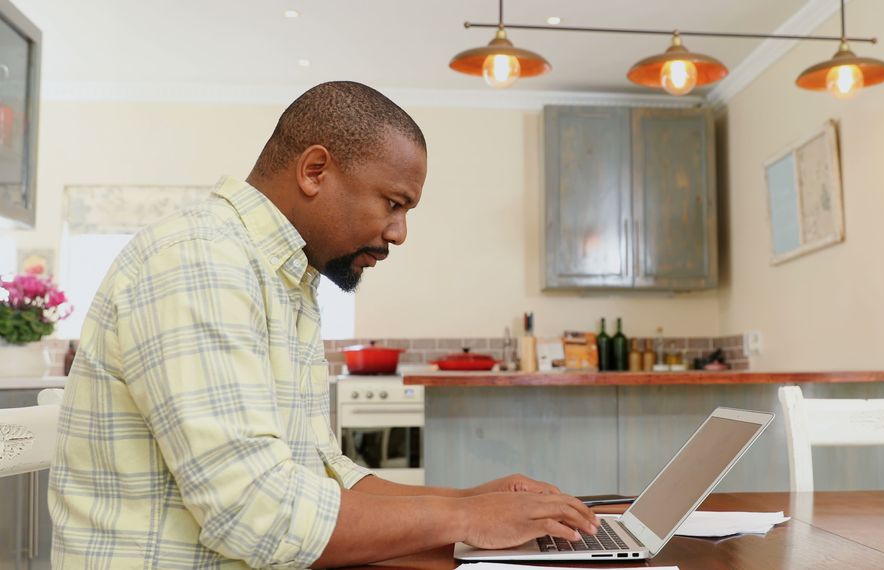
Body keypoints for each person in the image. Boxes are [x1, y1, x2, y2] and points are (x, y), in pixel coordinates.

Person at [48, 81, 598, 569]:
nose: (400, 232)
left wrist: (470, 502)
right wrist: (464, 522)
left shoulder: (288, 280)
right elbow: (258, 514)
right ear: (315, 170)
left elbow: (321, 472)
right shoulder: (199, 260)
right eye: (393, 203)